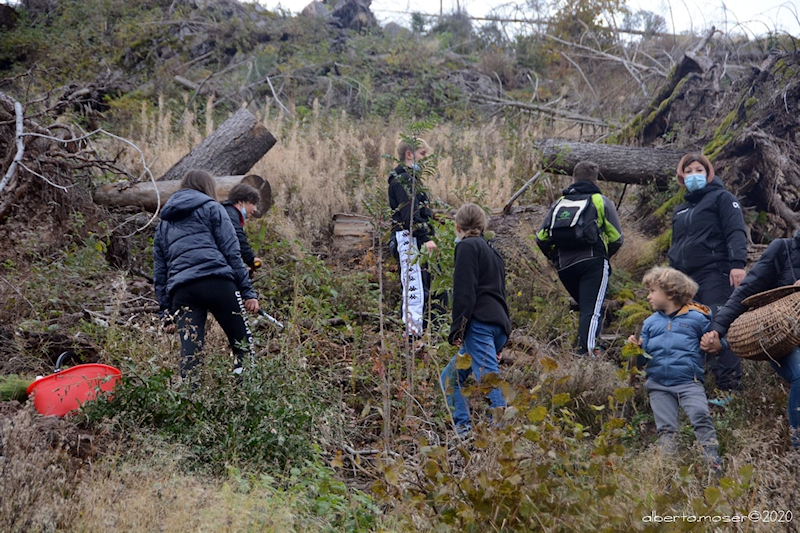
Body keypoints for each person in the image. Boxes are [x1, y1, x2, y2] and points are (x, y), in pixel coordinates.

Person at [153, 169, 260, 378]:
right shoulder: (213, 208)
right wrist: (247, 292)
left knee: (190, 355)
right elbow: (232, 252)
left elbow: (160, 272)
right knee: (242, 344)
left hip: (182, 291)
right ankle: (245, 395)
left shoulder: (164, 223)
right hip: (217, 283)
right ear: (207, 187)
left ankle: (190, 403)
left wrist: (166, 314)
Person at [701, 231, 800, 448]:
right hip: (784, 338)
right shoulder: (783, 250)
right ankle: (798, 447)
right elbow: (746, 291)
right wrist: (718, 328)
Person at [668, 153, 747, 400]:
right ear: (682, 177)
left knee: (720, 324)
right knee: (691, 327)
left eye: (699, 170)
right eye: (688, 171)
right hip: (685, 279)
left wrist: (737, 264)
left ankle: (730, 387)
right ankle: (698, 384)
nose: (694, 175)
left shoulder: (723, 198)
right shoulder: (681, 209)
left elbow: (735, 231)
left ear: (709, 173)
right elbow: (676, 244)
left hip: (716, 271)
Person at [627, 267, 723, 468]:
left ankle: (712, 463)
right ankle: (666, 469)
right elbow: (643, 361)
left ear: (670, 293)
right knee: (666, 429)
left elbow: (716, 345)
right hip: (658, 385)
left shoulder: (698, 319)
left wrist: (716, 346)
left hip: (689, 383)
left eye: (652, 291)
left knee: (700, 416)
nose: (648, 296)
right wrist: (636, 350)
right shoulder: (650, 324)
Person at [536, 161, 624, 356]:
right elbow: (617, 238)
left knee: (587, 309)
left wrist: (555, 258)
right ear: (596, 180)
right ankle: (586, 356)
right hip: (593, 262)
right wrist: (603, 256)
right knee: (591, 311)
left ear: (573, 179)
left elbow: (541, 238)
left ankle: (584, 347)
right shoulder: (600, 201)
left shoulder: (559, 203)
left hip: (565, 267)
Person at [440, 203, 512, 438]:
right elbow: (500, 292)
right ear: (482, 226)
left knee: (488, 377)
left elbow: (464, 293)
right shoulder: (494, 252)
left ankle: (500, 433)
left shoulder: (467, 247)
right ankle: (463, 430)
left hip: (479, 325)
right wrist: (500, 341)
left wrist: (457, 330)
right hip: (497, 324)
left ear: (457, 226)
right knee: (450, 378)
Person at [388, 137, 440, 338]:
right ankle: (412, 338)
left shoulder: (413, 179)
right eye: (422, 154)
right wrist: (425, 237)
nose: (424, 159)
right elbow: (410, 213)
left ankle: (422, 335)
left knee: (423, 286)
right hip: (408, 239)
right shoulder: (403, 180)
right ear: (409, 154)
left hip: (416, 239)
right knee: (414, 290)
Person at [221, 183, 262, 272]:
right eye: (253, 203)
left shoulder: (225, 212)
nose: (255, 209)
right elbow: (236, 235)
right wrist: (251, 259)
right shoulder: (230, 214)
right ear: (240, 202)